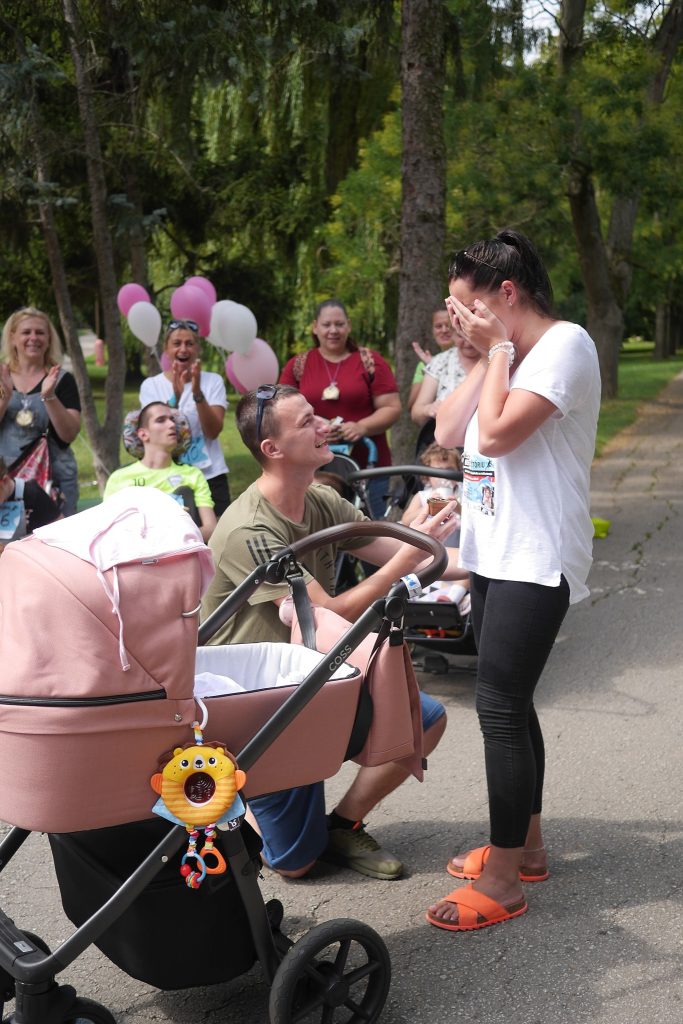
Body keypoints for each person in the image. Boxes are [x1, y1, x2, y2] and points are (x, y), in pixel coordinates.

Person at [201, 383, 467, 881]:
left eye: (315, 413)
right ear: (272, 450)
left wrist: (491, 568)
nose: (323, 423)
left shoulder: (320, 500)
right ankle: (229, 794)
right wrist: (412, 560)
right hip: (258, 707)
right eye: (305, 421)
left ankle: (343, 824)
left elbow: (401, 553)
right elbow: (326, 615)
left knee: (424, 721)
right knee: (296, 865)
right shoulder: (248, 531)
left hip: (312, 678)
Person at [425, 229, 600, 932]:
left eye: (465, 307)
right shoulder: (504, 354)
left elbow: (496, 435)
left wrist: (496, 349)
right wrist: (483, 353)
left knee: (496, 706)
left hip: (537, 556)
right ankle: (525, 847)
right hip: (494, 553)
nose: (454, 319)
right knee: (511, 703)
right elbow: (447, 425)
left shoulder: (563, 346)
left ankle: (503, 878)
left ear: (505, 295)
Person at [279, 300, 401, 519]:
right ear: (315, 327)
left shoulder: (370, 361)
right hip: (313, 468)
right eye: (326, 325)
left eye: (339, 324)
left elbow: (391, 408)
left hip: (368, 466)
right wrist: (315, 425)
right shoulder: (298, 365)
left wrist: (361, 427)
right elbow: (281, 410)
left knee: (370, 528)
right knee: (317, 526)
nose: (333, 330)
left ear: (349, 326)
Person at [139, 319, 230, 515]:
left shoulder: (212, 381)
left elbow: (213, 432)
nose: (183, 349)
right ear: (166, 349)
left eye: (190, 343)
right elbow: (154, 436)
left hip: (211, 475)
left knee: (217, 540)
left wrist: (197, 392)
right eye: (177, 343)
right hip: (167, 476)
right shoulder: (151, 386)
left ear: (198, 348)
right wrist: (175, 400)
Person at [0, 307, 81, 515]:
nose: (33, 338)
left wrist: (49, 396)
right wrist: (6, 397)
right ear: (13, 337)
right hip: (4, 484)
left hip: (54, 482)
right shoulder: (2, 376)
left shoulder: (62, 379)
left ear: (49, 339)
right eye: (26, 332)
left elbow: (69, 434)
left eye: (40, 332)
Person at [104, 402, 217, 542]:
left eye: (172, 420)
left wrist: (173, 541)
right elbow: (108, 531)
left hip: (183, 554)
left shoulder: (193, 474)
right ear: (143, 434)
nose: (171, 425)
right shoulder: (119, 478)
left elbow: (211, 529)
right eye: (161, 420)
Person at [400, 443, 469, 613]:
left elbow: (472, 518)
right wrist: (427, 506)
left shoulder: (464, 493)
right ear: (427, 476)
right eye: (437, 471)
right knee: (414, 571)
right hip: (429, 555)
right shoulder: (423, 496)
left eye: (449, 470)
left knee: (469, 569)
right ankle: (414, 601)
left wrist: (457, 506)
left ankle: (452, 600)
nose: (443, 477)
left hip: (459, 554)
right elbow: (406, 519)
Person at [411, 319, 480, 429]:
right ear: (452, 334)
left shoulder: (497, 358)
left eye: (473, 336)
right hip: (448, 442)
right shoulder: (440, 362)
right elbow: (416, 412)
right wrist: (428, 409)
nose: (468, 342)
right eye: (461, 336)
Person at [408, 306, 460, 410]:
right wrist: (432, 369)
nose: (444, 330)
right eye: (438, 326)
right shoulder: (426, 364)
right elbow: (412, 405)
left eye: (448, 325)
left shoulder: (470, 358)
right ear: (432, 331)